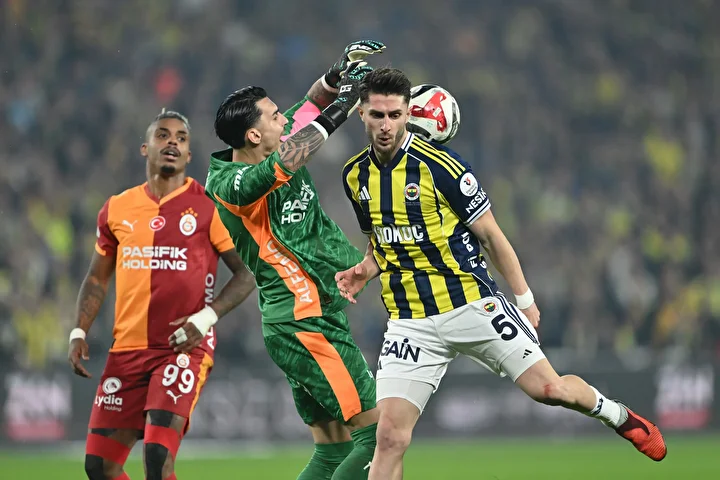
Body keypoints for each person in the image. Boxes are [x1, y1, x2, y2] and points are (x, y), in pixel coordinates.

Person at [335, 68, 668, 480]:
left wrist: (524, 300)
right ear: (361, 114)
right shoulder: (354, 175)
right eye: (377, 115)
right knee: (388, 438)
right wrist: (365, 270)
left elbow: (492, 236)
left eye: (394, 115)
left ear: (408, 114)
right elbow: (383, 239)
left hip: (472, 304)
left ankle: (618, 416)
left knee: (550, 390)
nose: (386, 125)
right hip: (410, 322)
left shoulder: (443, 167)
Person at [192, 40, 384, 480]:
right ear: (254, 135)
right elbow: (289, 157)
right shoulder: (230, 184)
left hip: (308, 315)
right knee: (378, 437)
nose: (285, 119)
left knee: (333, 452)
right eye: (275, 116)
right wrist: (344, 107)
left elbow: (311, 103)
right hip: (303, 320)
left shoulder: (271, 140)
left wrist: (336, 75)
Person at [68, 110, 256, 480]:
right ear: (145, 148)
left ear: (188, 155)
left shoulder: (209, 206)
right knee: (99, 467)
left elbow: (246, 273)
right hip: (126, 351)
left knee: (156, 456)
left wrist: (204, 319)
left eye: (181, 138)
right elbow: (96, 278)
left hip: (182, 347)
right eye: (163, 135)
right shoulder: (117, 208)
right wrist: (79, 331)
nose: (173, 142)